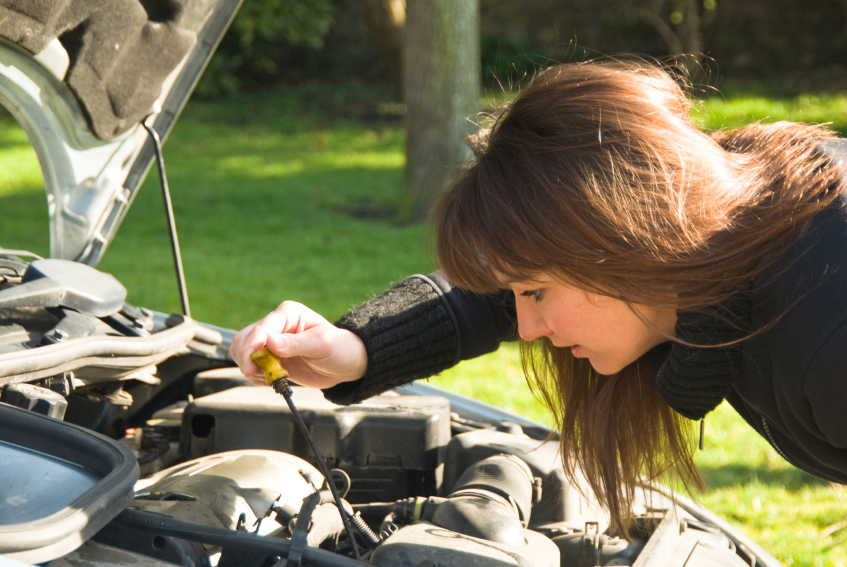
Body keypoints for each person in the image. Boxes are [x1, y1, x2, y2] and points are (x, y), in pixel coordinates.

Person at [231, 60, 847, 536]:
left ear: (623, 240)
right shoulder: (720, 207)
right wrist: (355, 346)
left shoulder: (826, 333)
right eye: (519, 292)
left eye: (536, 293)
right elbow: (486, 297)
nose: (523, 326)